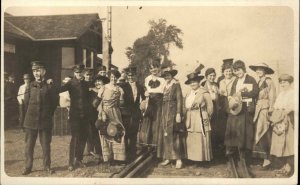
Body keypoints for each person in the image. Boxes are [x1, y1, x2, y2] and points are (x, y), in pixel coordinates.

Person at [22, 61, 58, 175]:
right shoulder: (29, 86)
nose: (36, 73)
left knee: (46, 145)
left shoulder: (49, 87)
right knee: (29, 146)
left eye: (38, 70)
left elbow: (53, 103)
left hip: (44, 120)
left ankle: (47, 166)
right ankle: (28, 167)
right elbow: (26, 104)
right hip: (30, 121)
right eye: (34, 71)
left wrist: (47, 115)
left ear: (44, 71)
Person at [224, 60, 259, 177]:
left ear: (243, 69)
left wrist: (243, 94)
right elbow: (233, 93)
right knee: (233, 128)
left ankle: (243, 155)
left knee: (244, 131)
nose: (237, 72)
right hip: (236, 109)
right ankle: (233, 152)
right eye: (235, 70)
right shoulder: (235, 81)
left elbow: (255, 92)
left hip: (246, 109)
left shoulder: (251, 79)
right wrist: (233, 98)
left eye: (239, 70)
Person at [60, 64, 91, 171]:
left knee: (83, 137)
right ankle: (70, 162)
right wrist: (50, 83)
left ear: (83, 73)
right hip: (75, 116)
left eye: (80, 72)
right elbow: (60, 89)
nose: (79, 74)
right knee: (74, 138)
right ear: (74, 73)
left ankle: (79, 159)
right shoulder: (70, 83)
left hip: (85, 115)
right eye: (77, 72)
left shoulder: (87, 84)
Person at [157, 66, 185, 169]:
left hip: (173, 113)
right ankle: (168, 157)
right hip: (165, 113)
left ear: (172, 75)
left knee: (175, 135)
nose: (167, 77)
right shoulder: (165, 85)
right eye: (165, 75)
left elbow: (179, 100)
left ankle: (178, 159)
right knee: (166, 135)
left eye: (168, 75)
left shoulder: (176, 85)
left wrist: (178, 113)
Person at [184, 66, 214, 163]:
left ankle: (202, 159)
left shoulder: (204, 92)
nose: (193, 84)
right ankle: (192, 159)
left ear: (198, 82)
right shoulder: (188, 93)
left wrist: (207, 116)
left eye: (195, 81)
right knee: (192, 137)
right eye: (191, 82)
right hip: (190, 118)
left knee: (201, 137)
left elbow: (210, 107)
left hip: (201, 117)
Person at [249, 63, 276, 169]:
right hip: (257, 108)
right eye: (257, 69)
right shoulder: (258, 81)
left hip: (264, 108)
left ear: (265, 71)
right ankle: (259, 158)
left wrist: (270, 109)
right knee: (257, 132)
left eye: (261, 69)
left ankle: (267, 160)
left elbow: (272, 96)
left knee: (264, 131)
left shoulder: (268, 81)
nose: (258, 71)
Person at [97, 69, 126, 164]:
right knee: (106, 133)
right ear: (109, 78)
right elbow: (97, 103)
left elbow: (121, 104)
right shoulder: (104, 88)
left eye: (115, 77)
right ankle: (108, 158)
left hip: (116, 113)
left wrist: (121, 97)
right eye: (112, 77)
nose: (113, 79)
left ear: (117, 78)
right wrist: (102, 113)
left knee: (118, 132)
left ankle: (118, 157)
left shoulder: (120, 89)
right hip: (105, 112)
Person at [138, 58, 166, 150]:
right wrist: (145, 95)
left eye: (155, 67)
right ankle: (147, 147)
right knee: (147, 124)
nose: (153, 70)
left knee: (156, 125)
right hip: (149, 105)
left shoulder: (163, 79)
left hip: (159, 105)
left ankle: (157, 148)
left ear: (159, 68)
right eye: (151, 68)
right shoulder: (147, 79)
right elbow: (144, 91)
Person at [269, 74, 294, 176]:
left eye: (285, 82)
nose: (283, 84)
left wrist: (282, 116)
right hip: (278, 119)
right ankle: (284, 166)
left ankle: (289, 167)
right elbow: (276, 106)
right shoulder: (281, 94)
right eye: (281, 82)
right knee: (280, 144)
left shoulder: (293, 93)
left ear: (290, 83)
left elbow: (291, 107)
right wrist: (275, 119)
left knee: (288, 144)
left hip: (288, 119)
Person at [119, 67, 145, 161]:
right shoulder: (122, 86)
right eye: (129, 75)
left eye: (132, 75)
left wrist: (143, 104)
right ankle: (125, 155)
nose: (130, 77)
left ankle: (132, 154)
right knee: (125, 133)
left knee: (134, 133)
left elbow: (144, 98)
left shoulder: (140, 86)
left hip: (135, 113)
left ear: (136, 76)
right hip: (125, 113)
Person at [87, 74, 110, 162]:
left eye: (99, 81)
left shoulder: (107, 91)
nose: (97, 83)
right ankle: (99, 154)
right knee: (96, 135)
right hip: (94, 116)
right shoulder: (91, 92)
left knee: (107, 134)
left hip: (107, 114)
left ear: (103, 82)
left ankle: (108, 154)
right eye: (96, 81)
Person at [217, 60, 236, 156]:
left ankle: (232, 148)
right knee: (224, 127)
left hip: (232, 105)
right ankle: (225, 147)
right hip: (223, 106)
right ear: (223, 72)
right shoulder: (221, 81)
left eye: (229, 71)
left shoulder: (235, 80)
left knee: (232, 126)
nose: (228, 73)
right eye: (226, 71)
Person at [202, 68, 220, 154]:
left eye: (214, 76)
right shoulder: (202, 85)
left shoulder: (216, 85)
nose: (212, 77)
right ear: (206, 77)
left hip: (216, 109)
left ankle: (215, 153)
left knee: (215, 129)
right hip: (206, 109)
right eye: (210, 76)